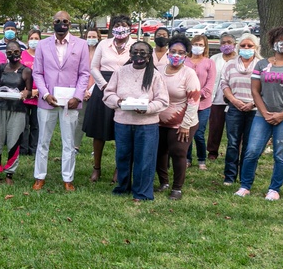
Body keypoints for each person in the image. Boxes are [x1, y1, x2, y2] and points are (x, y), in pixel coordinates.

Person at [236, 26, 283, 200]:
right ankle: (245, 186)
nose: (281, 43)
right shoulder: (262, 64)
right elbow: (255, 91)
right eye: (277, 40)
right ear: (272, 42)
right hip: (262, 115)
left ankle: (274, 189)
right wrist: (264, 112)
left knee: (280, 153)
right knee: (251, 151)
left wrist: (282, 114)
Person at [32, 11, 91, 192]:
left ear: (70, 23)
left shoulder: (81, 45)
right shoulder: (42, 45)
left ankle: (68, 178)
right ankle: (39, 177)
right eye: (58, 21)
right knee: (43, 140)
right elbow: (37, 73)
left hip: (70, 102)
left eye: (65, 21)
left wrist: (78, 96)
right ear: (53, 23)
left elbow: (84, 73)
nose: (61, 24)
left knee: (69, 142)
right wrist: (45, 94)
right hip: (47, 101)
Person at [103, 40, 169, 202]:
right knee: (122, 156)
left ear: (148, 56)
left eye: (142, 53)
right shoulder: (120, 72)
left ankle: (142, 192)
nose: (138, 55)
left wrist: (147, 108)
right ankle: (123, 186)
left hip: (146, 124)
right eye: (135, 52)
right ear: (130, 54)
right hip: (123, 122)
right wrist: (118, 102)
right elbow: (108, 94)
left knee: (145, 158)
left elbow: (163, 100)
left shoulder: (154, 75)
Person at [83, 16, 132, 182]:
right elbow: (94, 67)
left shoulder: (135, 45)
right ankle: (97, 168)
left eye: (124, 26)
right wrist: (104, 86)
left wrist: (121, 88)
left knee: (122, 132)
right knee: (99, 131)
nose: (120, 29)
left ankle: (120, 169)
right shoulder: (104, 44)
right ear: (112, 28)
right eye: (117, 25)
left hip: (125, 90)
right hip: (102, 87)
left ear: (130, 29)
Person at [155, 35, 201, 200]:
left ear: (186, 55)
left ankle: (177, 188)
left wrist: (185, 125)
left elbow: (194, 101)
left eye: (181, 52)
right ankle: (163, 182)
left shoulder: (189, 74)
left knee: (178, 152)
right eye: (173, 51)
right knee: (159, 151)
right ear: (168, 52)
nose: (176, 55)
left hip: (182, 122)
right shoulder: (158, 70)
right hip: (158, 121)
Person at [0, 40, 32, 186]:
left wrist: (26, 93)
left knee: (14, 141)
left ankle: (9, 173)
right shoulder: (1, 68)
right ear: (5, 54)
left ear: (21, 52)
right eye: (9, 52)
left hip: (17, 110)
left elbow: (29, 91)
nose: (13, 55)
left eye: (16, 52)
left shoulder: (26, 71)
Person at [220, 34, 261, 186]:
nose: (246, 48)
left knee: (249, 145)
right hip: (234, 108)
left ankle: (245, 176)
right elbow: (224, 84)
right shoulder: (230, 64)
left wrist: (251, 103)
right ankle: (229, 176)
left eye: (250, 46)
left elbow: (263, 88)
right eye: (243, 46)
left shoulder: (261, 65)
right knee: (233, 143)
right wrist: (234, 101)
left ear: (255, 48)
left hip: (254, 110)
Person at [186, 34, 216, 170]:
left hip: (203, 104)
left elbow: (209, 85)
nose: (198, 47)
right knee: (186, 131)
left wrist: (197, 95)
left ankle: (201, 159)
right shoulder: (185, 61)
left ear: (205, 47)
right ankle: (187, 158)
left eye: (201, 45)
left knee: (198, 133)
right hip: (186, 103)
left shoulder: (209, 63)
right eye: (195, 44)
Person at [206, 33, 237, 162]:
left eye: (229, 42)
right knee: (215, 127)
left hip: (235, 100)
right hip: (217, 99)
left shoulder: (239, 59)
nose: (226, 45)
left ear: (234, 44)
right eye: (223, 43)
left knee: (234, 129)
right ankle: (212, 152)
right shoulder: (214, 59)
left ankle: (235, 152)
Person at [74, 27, 101, 153]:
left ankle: (95, 149)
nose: (91, 39)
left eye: (93, 36)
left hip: (97, 89)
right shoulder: (81, 52)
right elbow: (77, 72)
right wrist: (84, 90)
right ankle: (75, 146)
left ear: (98, 38)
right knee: (80, 118)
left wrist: (93, 89)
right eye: (89, 37)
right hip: (83, 90)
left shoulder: (101, 53)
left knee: (96, 119)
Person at [20, 29, 41, 155]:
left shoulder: (44, 55)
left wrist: (38, 90)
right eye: (31, 38)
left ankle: (34, 149)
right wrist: (27, 91)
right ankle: (23, 149)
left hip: (39, 95)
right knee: (24, 123)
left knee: (36, 124)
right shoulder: (22, 55)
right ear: (28, 40)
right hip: (25, 94)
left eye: (36, 38)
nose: (34, 41)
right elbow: (18, 74)